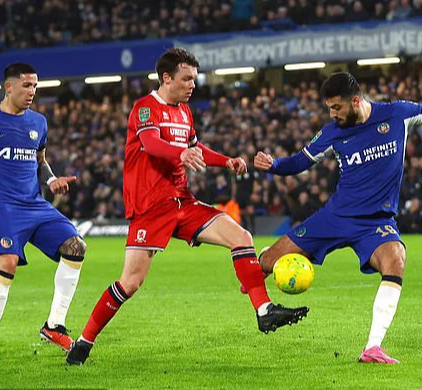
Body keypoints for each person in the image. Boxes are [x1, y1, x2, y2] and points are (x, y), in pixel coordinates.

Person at [250, 72, 422, 364]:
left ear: (355, 101)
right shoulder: (332, 132)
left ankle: (372, 348)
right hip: (336, 216)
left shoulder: (397, 114)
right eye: (329, 108)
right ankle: (259, 287)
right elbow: (297, 163)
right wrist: (273, 165)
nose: (332, 114)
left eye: (336, 108)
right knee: (266, 264)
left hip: (376, 222)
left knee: (395, 258)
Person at [66, 48, 308, 366]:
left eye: (194, 78)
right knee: (131, 282)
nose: (193, 85)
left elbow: (195, 148)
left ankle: (264, 310)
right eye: (186, 79)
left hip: (182, 201)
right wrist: (179, 154)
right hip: (150, 207)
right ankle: (83, 343)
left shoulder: (184, 112)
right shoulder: (145, 108)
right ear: (167, 78)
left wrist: (227, 161)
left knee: (242, 237)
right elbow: (151, 144)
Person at [0, 63, 87, 361]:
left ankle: (54, 326)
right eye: (26, 85)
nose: (32, 91)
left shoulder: (38, 121)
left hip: (35, 204)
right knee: (7, 262)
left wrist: (51, 179)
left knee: (76, 247)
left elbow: (40, 158)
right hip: (4, 207)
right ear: (8, 87)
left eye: (35, 86)